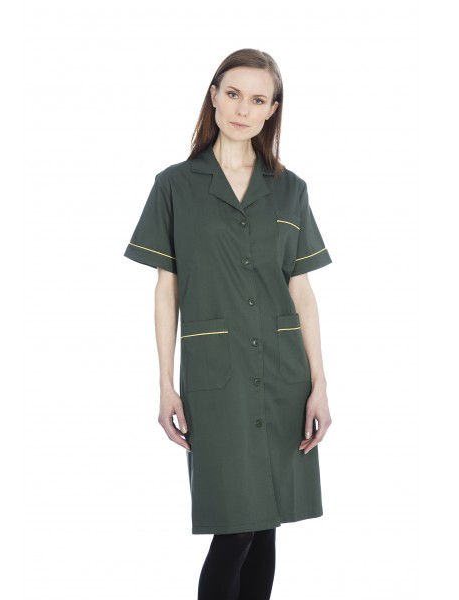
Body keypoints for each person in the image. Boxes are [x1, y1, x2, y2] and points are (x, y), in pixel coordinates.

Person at [124, 48, 333, 600]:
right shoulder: (175, 185)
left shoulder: (290, 188)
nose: (243, 109)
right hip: (216, 378)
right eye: (234, 93)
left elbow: (301, 290)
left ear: (272, 110)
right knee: (235, 525)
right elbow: (166, 289)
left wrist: (320, 384)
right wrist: (165, 383)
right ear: (214, 95)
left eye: (258, 99)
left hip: (285, 376)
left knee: (266, 526)